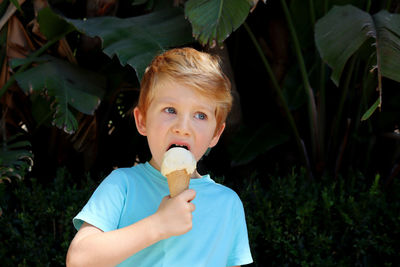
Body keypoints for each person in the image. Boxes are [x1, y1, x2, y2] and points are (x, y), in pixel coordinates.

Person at [66, 47, 253, 266]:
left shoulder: (227, 204)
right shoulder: (123, 185)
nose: (183, 128)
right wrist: (158, 224)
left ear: (215, 134)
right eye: (170, 110)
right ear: (142, 120)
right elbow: (78, 259)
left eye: (200, 115)